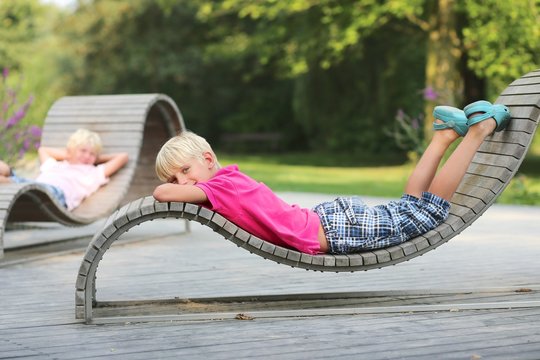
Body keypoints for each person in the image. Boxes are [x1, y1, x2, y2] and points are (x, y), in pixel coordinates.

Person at [153, 100, 511, 255]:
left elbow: (162, 194)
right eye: (175, 176)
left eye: (185, 171)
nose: (182, 182)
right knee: (411, 206)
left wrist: (173, 185)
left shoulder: (215, 188)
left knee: (429, 213)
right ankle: (444, 136)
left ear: (208, 159)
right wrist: (183, 179)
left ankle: (478, 132)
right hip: (329, 220)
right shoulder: (226, 180)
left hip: (334, 229)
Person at [0, 128, 129, 211]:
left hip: (54, 195)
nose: (87, 156)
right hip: (32, 186)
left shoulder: (93, 173)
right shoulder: (56, 165)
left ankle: (7, 183)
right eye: (83, 151)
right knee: (4, 168)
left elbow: (123, 157)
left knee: (7, 181)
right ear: (70, 150)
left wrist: (97, 160)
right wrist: (69, 155)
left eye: (92, 154)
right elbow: (42, 150)